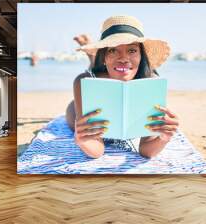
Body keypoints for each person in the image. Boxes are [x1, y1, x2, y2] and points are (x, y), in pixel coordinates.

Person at [65, 15, 179, 159]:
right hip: (74, 110)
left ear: (141, 56)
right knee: (94, 75)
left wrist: (164, 139)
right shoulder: (84, 82)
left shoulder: (151, 84)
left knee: (117, 67)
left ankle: (93, 58)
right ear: (105, 56)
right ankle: (93, 59)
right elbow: (97, 150)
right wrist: (82, 140)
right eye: (113, 50)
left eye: (132, 50)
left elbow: (147, 151)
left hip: (117, 72)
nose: (123, 58)